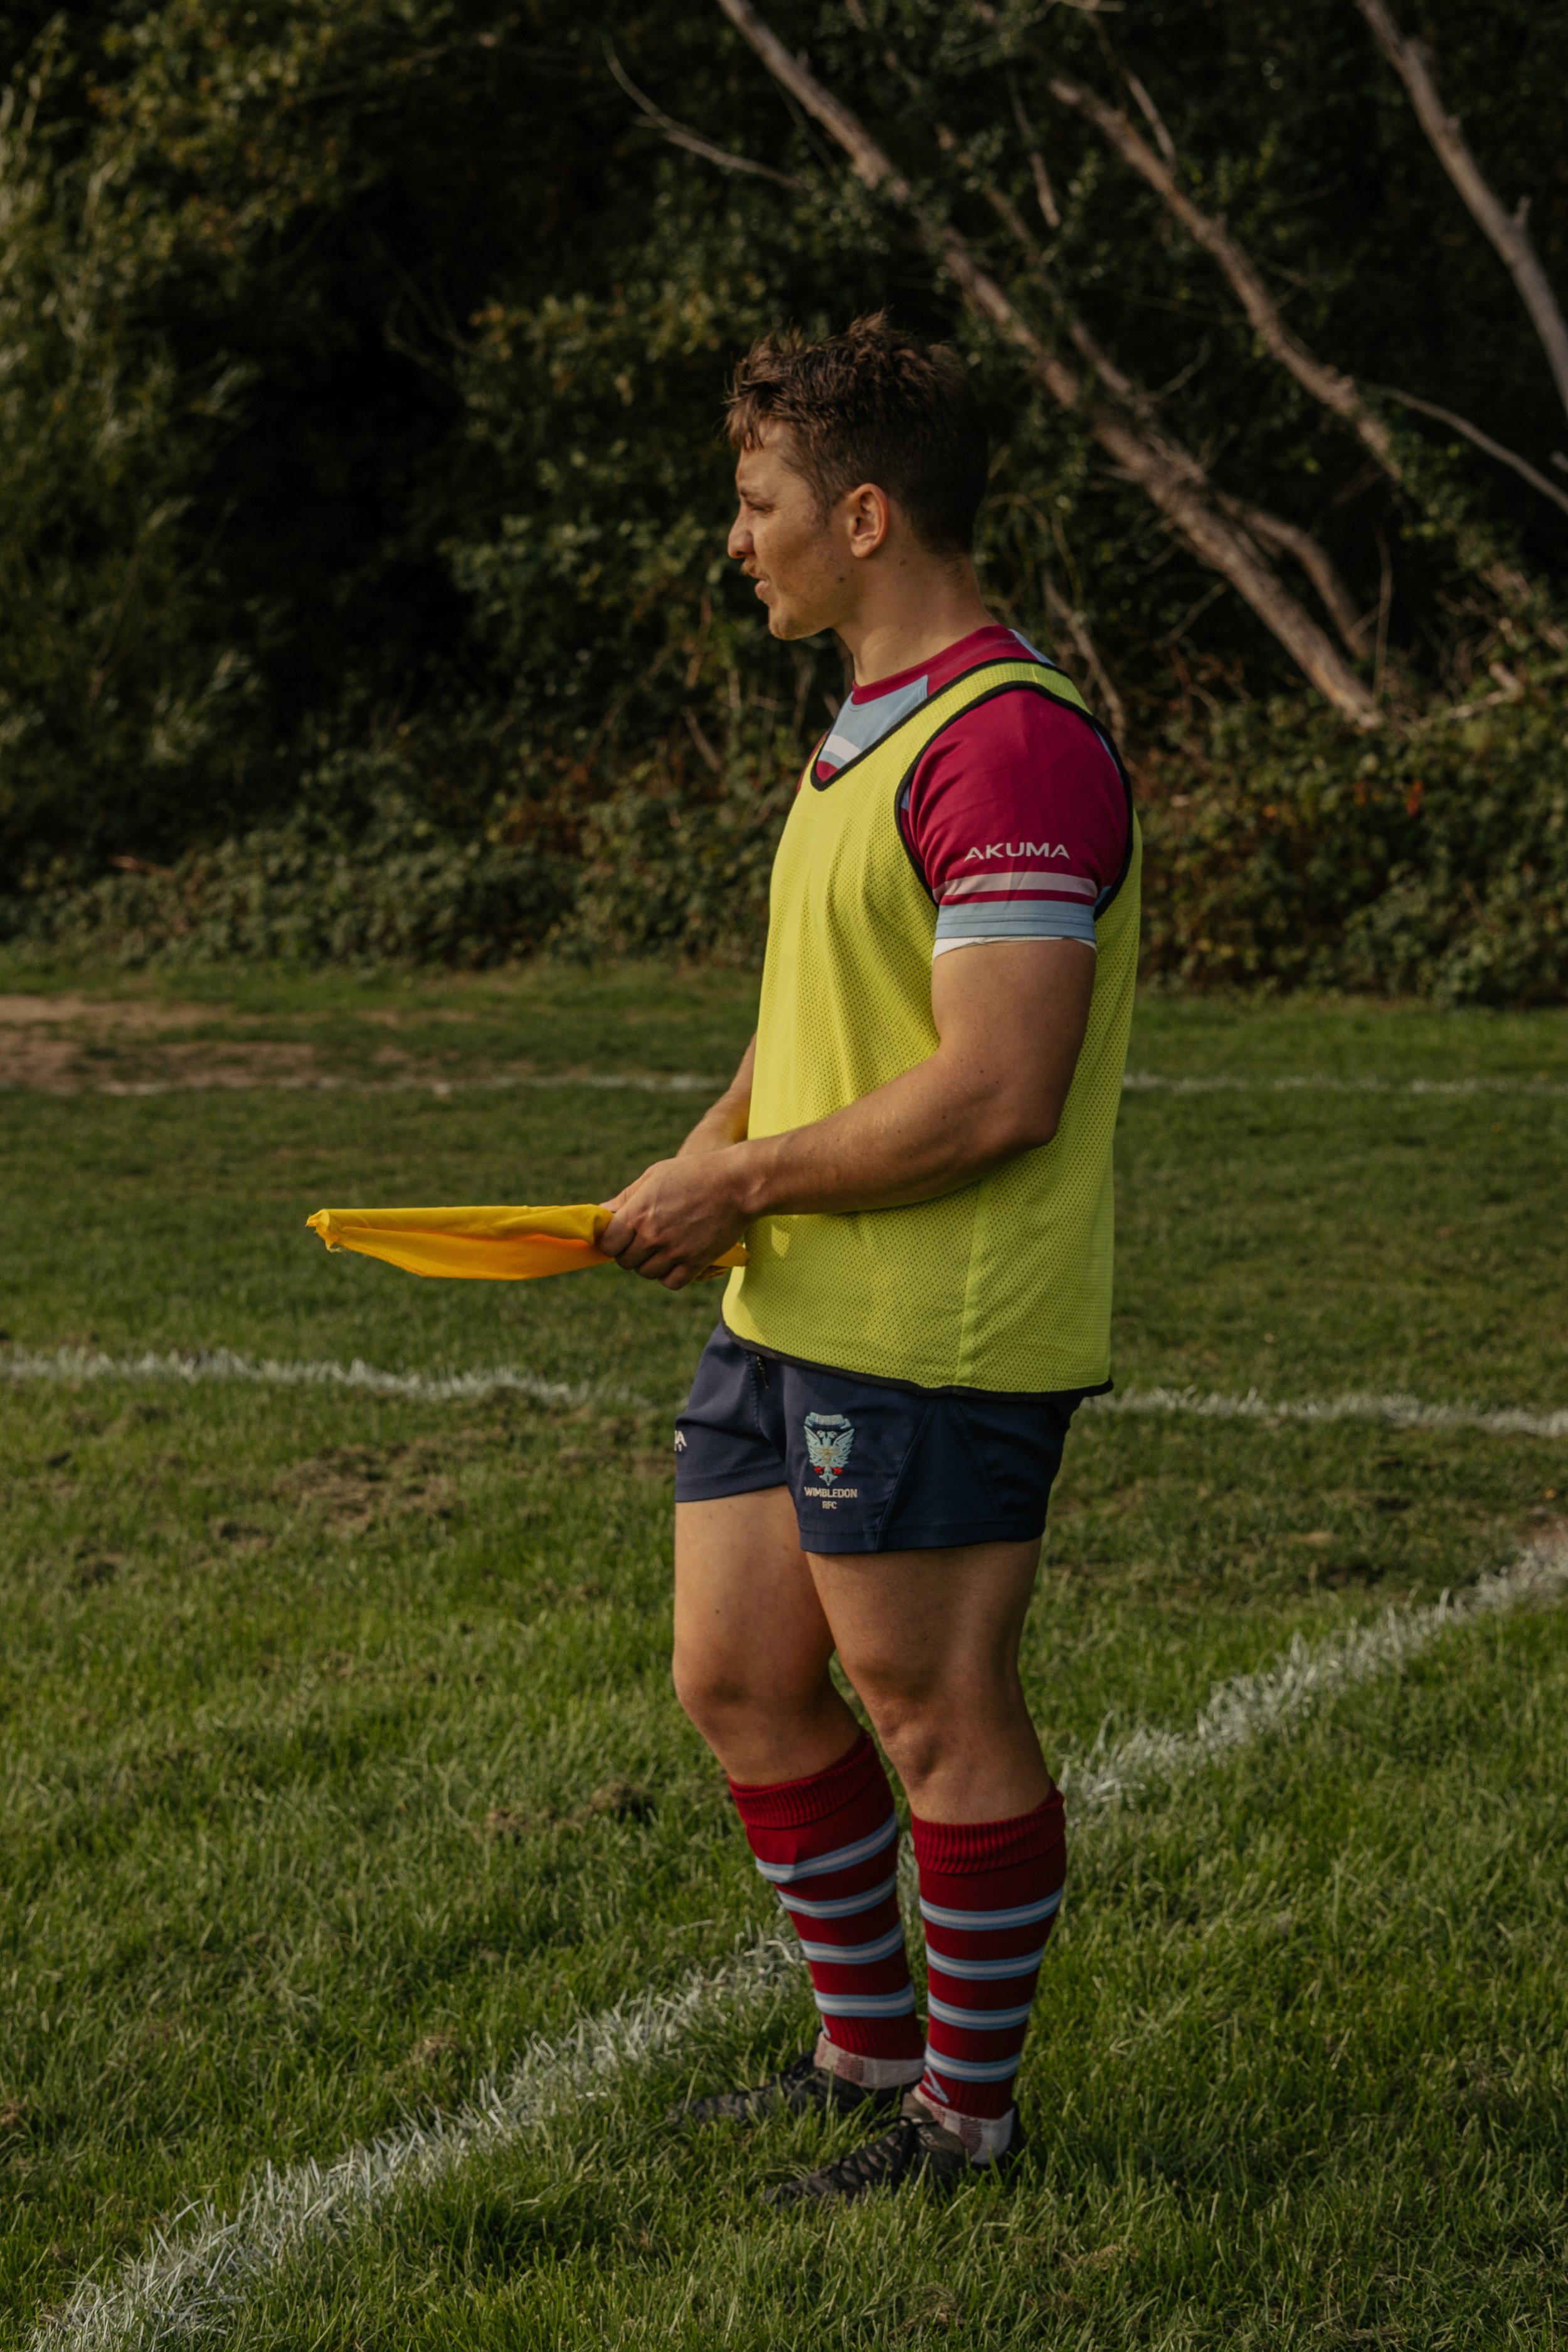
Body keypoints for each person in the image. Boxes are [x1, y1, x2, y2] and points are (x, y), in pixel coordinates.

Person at [600, 315, 1139, 2203]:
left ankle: (964, 2127)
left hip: (937, 1318)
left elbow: (998, 1087)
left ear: (862, 509)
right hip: (799, 1292)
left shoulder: (1009, 747)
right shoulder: (862, 725)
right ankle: (863, 2061)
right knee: (739, 1676)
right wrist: (710, 1150)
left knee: (929, 1711)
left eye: (754, 506)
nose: (733, 540)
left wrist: (743, 1188)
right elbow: (828, 1003)